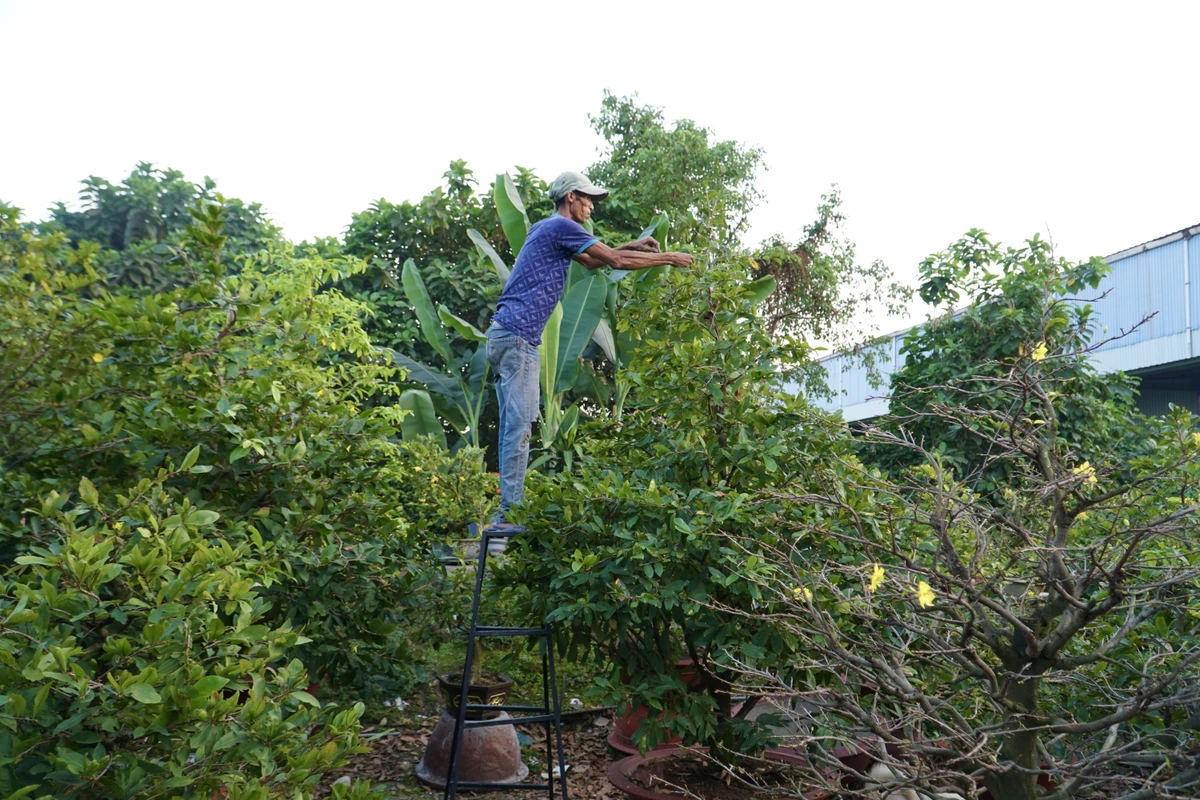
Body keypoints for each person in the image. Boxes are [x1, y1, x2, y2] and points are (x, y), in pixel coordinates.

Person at [486, 170, 695, 533]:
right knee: (519, 429)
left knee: (512, 427)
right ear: (571, 197)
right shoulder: (562, 227)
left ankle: (507, 512)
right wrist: (669, 258)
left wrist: (635, 243)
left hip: (504, 335)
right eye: (588, 201)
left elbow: (595, 259)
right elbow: (614, 262)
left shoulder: (546, 228)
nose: (591, 208)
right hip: (519, 339)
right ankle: (509, 517)